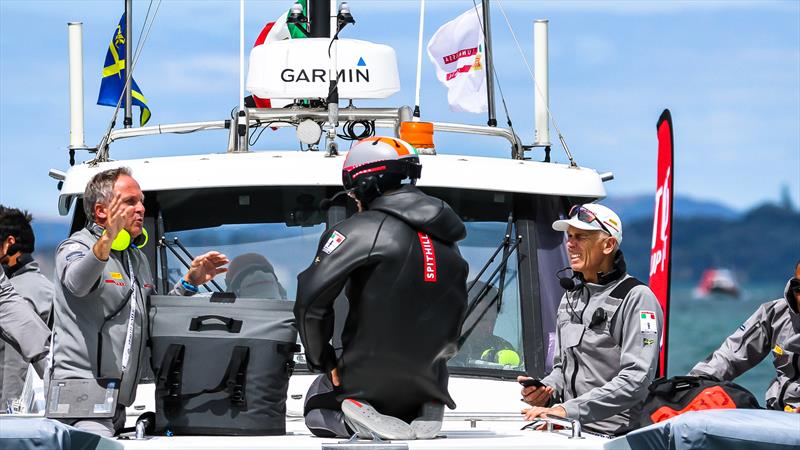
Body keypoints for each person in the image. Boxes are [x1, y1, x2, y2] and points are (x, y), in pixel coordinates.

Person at [295, 137, 468, 440]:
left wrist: (323, 360)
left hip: (368, 384)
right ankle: (423, 408)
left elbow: (310, 302)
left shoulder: (358, 229)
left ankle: (356, 422)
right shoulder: (448, 240)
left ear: (366, 185)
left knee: (314, 404)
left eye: (352, 192)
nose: (354, 200)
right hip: (431, 382)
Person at [50, 167, 228, 436]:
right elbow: (77, 283)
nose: (141, 209)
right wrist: (109, 237)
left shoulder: (136, 259)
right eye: (130, 202)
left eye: (141, 201)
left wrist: (190, 282)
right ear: (101, 212)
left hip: (118, 404)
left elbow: (151, 316)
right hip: (82, 405)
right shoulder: (75, 247)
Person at [519, 203, 663, 436]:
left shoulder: (638, 298)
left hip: (613, 436)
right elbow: (561, 367)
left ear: (608, 245)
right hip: (566, 429)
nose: (570, 243)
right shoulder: (570, 296)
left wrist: (567, 411)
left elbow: (636, 380)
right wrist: (546, 390)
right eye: (569, 236)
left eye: (581, 237)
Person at [689, 261, 800, 412]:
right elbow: (730, 356)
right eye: (798, 287)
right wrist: (692, 384)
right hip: (777, 414)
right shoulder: (775, 313)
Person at [0, 206, 54, 409]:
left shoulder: (14, 290)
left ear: (9, 244)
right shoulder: (49, 287)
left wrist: (6, 409)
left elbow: (12, 362)